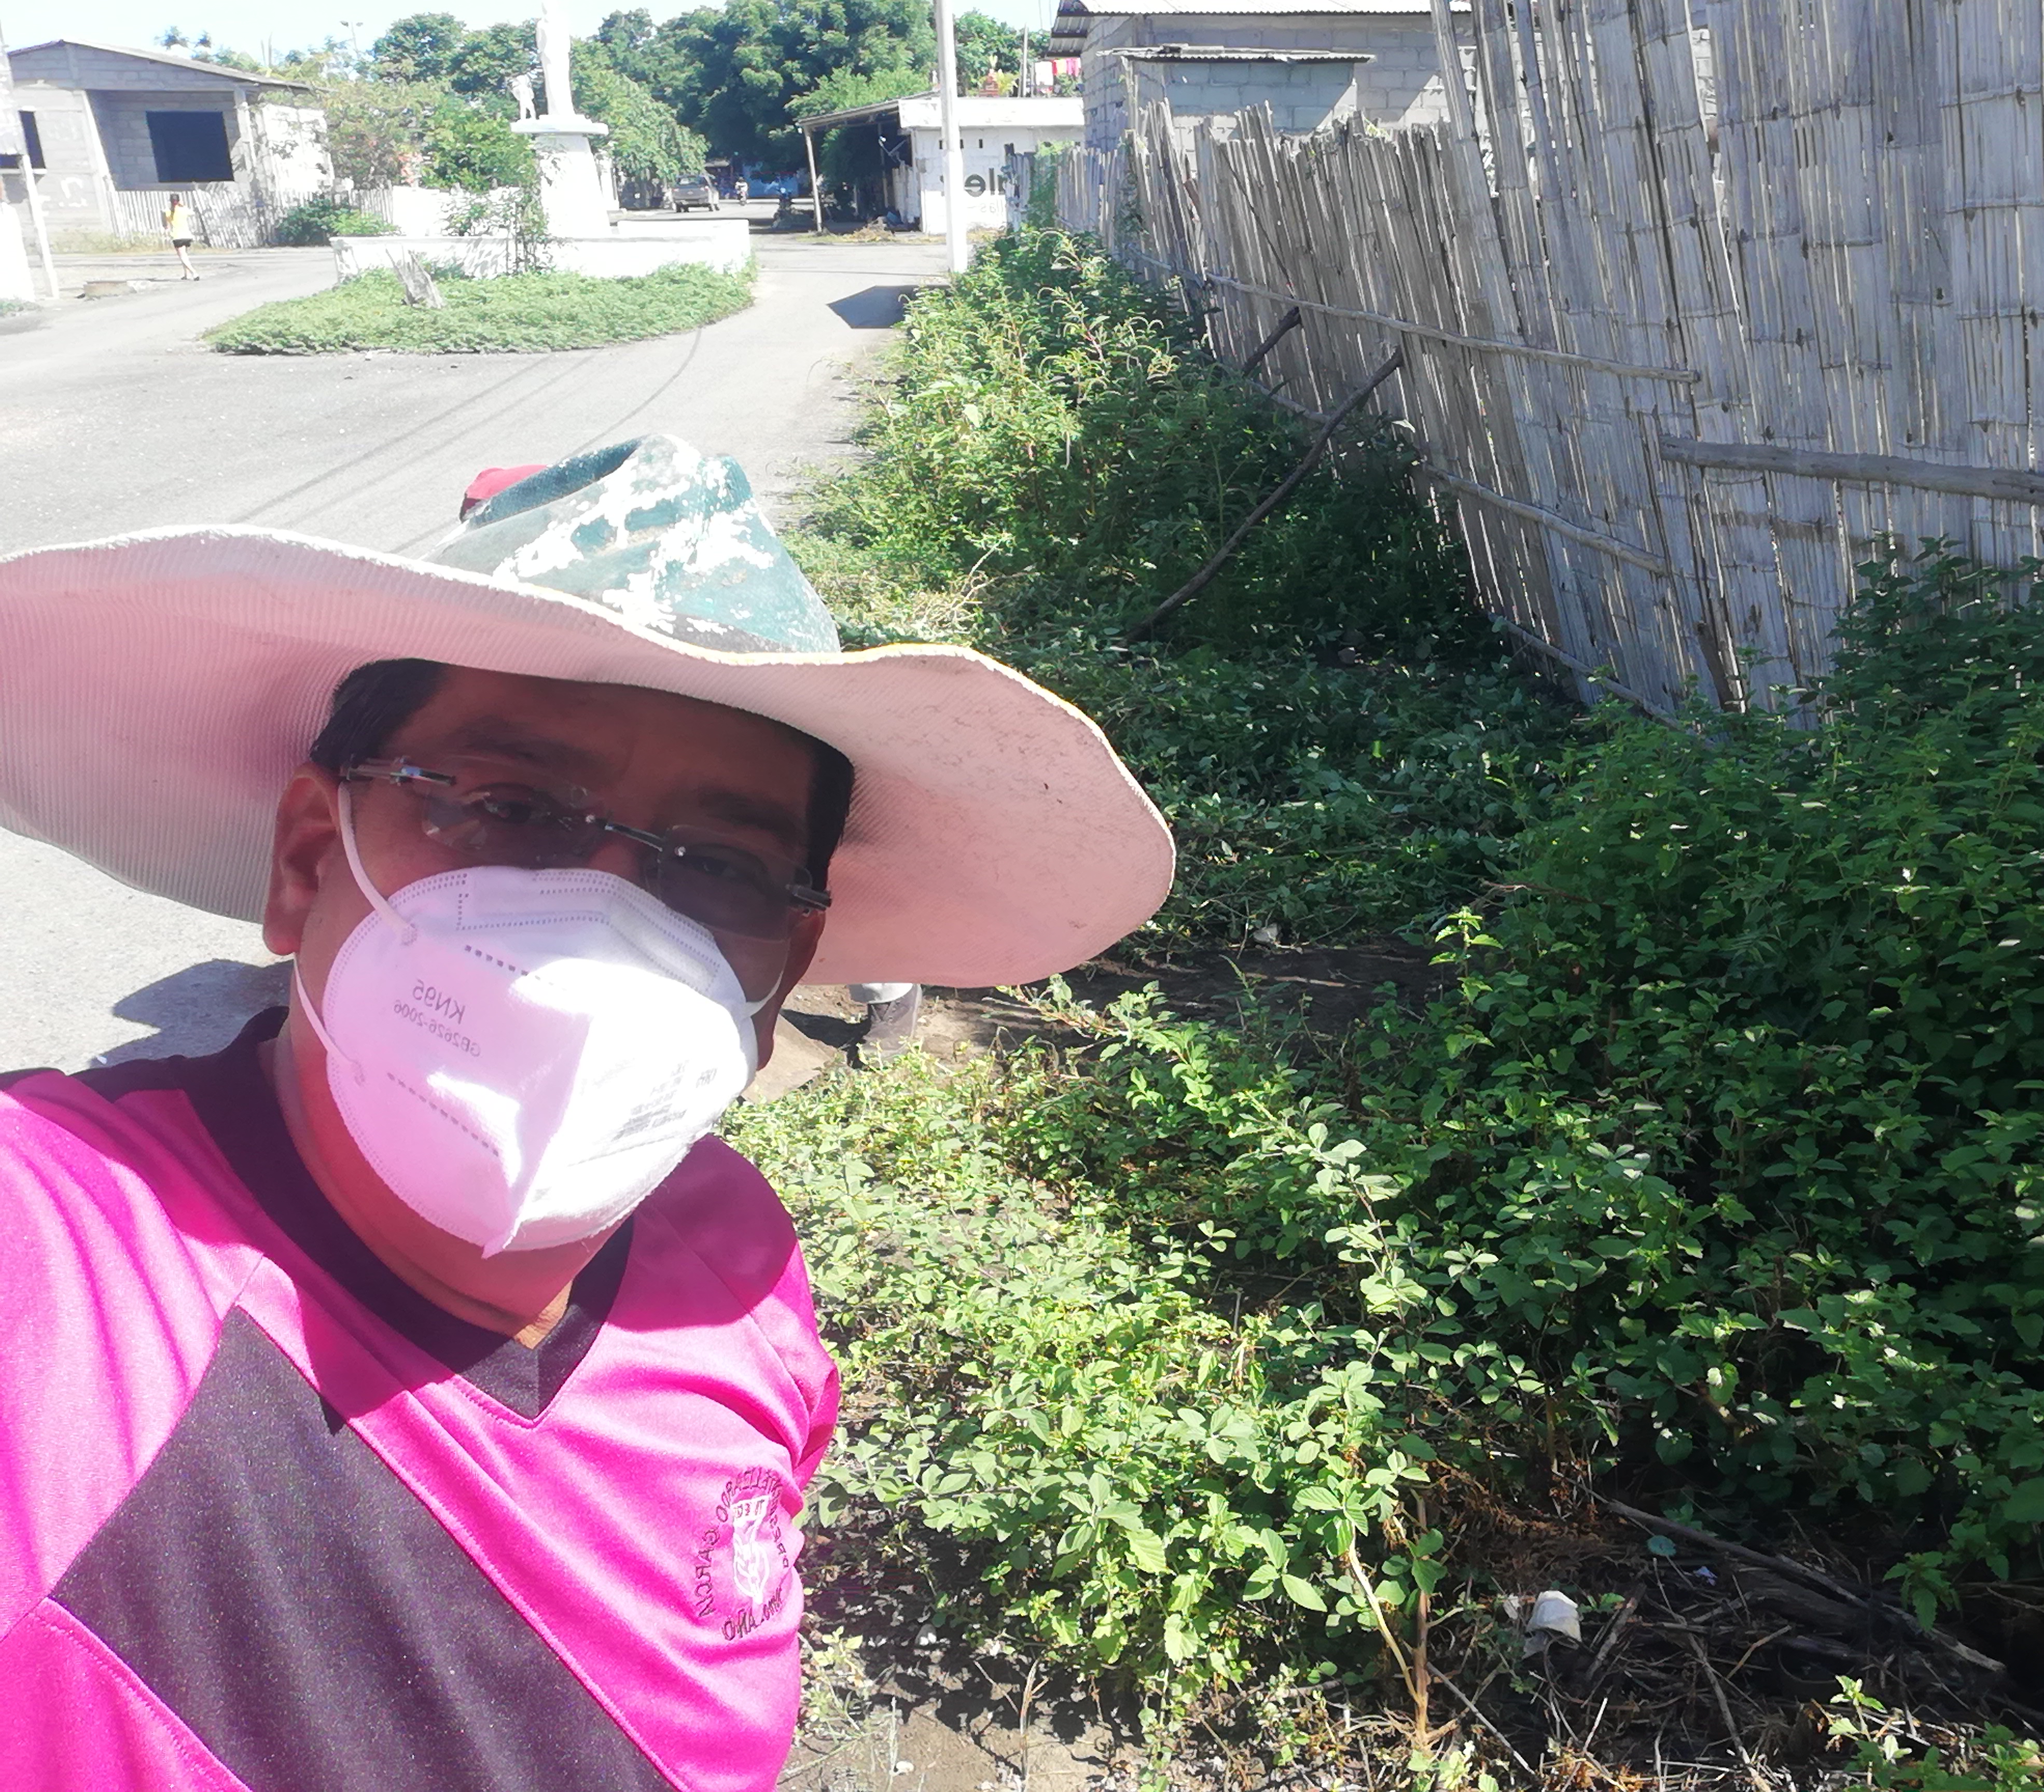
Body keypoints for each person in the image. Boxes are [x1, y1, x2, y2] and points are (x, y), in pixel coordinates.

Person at [0, 435, 1173, 1789]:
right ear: (312, 857)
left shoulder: (732, 1262)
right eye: (511, 807)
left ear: (780, 979)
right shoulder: (60, 1261)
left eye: (721, 865)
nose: (602, 918)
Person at [162, 192, 197, 280]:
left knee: (183, 257)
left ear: (170, 201)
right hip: (187, 235)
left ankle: (194, 273)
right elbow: (192, 213)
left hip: (177, 236)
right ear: (179, 201)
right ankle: (186, 275)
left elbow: (165, 225)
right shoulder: (184, 210)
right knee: (185, 255)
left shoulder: (167, 212)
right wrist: (183, 205)